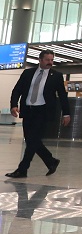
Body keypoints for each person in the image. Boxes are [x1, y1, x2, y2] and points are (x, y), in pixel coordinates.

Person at [5, 50, 71, 179]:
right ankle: (51, 161)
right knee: (31, 140)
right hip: (28, 110)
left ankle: (22, 169)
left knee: (33, 140)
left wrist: (66, 113)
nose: (50, 63)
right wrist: (14, 105)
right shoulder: (28, 73)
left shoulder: (56, 76)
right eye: (47, 60)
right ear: (40, 60)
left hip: (43, 111)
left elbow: (62, 96)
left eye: (52, 60)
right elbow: (17, 90)